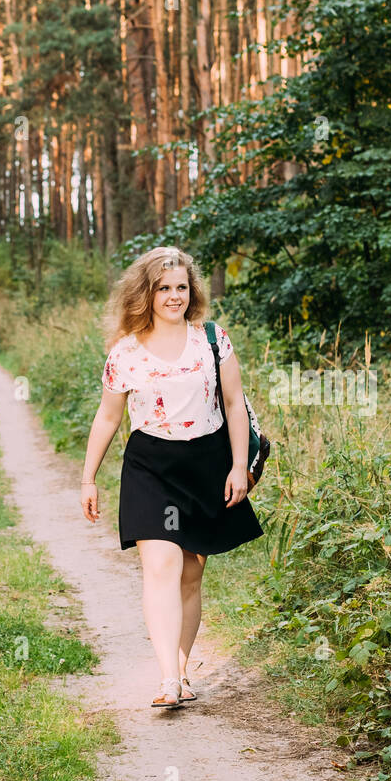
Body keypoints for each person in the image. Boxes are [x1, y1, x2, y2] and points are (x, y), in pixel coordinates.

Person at [80, 246, 263, 709]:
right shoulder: (124, 353)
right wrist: (88, 478)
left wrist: (239, 465)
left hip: (206, 462)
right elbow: (107, 418)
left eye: (181, 287)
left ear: (191, 291)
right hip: (150, 465)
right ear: (146, 293)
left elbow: (235, 403)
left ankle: (181, 670)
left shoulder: (212, 339)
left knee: (190, 575)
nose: (174, 296)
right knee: (161, 565)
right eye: (164, 288)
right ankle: (166, 679)